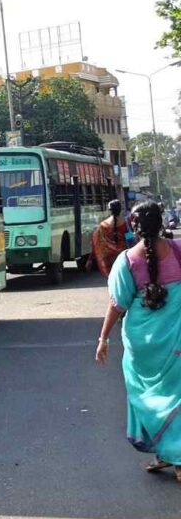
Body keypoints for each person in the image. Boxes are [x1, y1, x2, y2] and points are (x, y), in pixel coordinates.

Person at [96, 201, 181, 483]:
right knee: (176, 395)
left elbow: (117, 304)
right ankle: (174, 454)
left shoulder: (126, 261)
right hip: (176, 340)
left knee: (148, 396)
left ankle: (172, 454)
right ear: (161, 223)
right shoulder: (178, 251)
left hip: (141, 345)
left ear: (134, 226)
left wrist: (103, 338)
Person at [89, 199, 128, 276]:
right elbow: (131, 241)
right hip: (124, 258)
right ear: (120, 209)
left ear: (109, 210)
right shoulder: (126, 223)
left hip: (109, 260)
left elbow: (96, 242)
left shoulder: (103, 225)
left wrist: (90, 259)